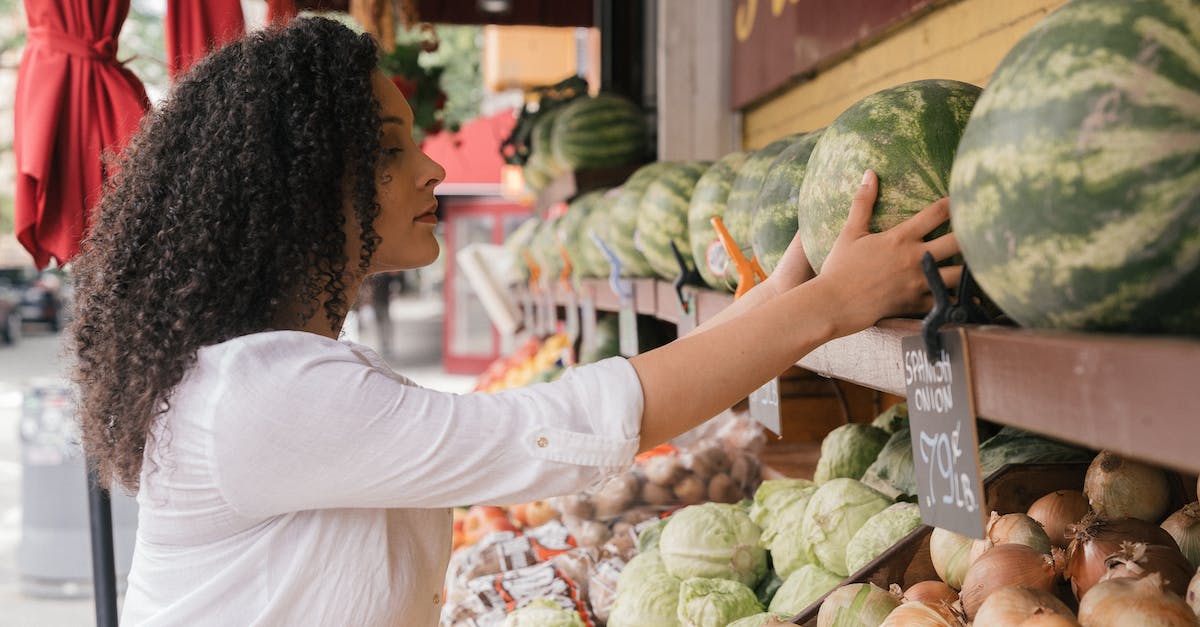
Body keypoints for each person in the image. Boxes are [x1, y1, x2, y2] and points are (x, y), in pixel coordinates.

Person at [69, 18, 961, 626]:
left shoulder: (255, 377)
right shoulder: (260, 396)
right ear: (297, 190)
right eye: (390, 150)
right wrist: (826, 308)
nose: (430, 173)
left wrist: (792, 286)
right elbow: (556, 429)